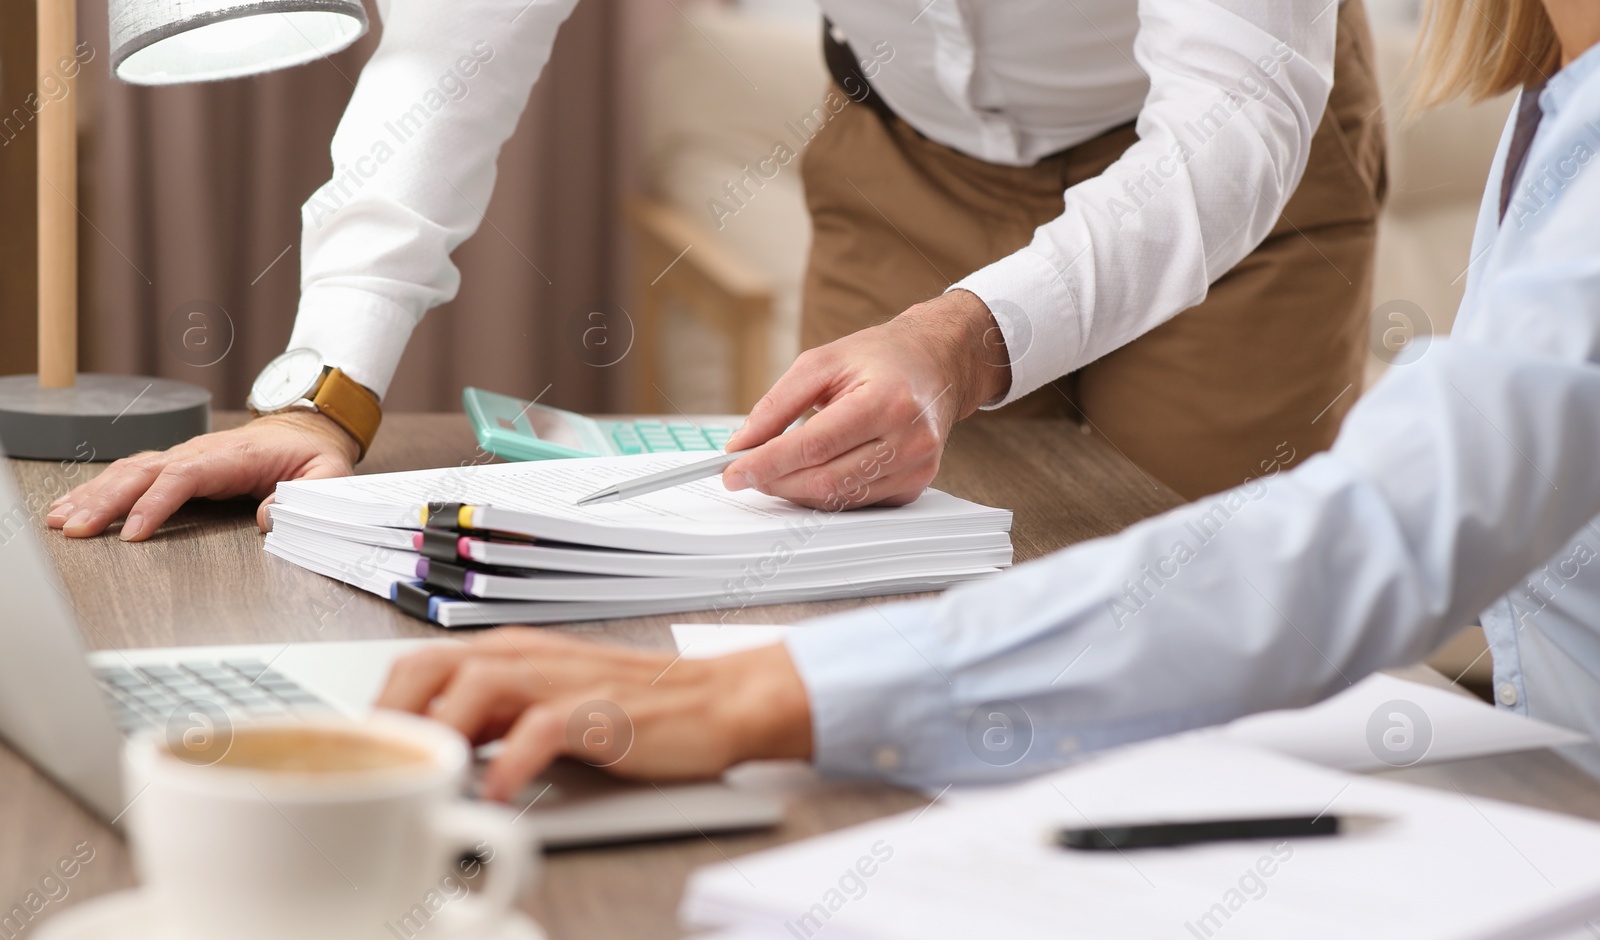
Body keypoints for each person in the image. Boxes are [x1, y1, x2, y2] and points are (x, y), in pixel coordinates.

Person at [373, 0, 1600, 800]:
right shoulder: (1551, 101)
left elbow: (1361, 544)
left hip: (1222, 140)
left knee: (1181, 731)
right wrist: (329, 377)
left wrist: (758, 692)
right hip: (908, 127)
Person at [45, 0, 1382, 540]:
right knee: (874, 601)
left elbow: (1235, 117)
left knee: (1199, 601)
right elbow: (464, 48)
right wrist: (321, 390)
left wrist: (968, 338)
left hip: (1228, 177)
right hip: (904, 157)